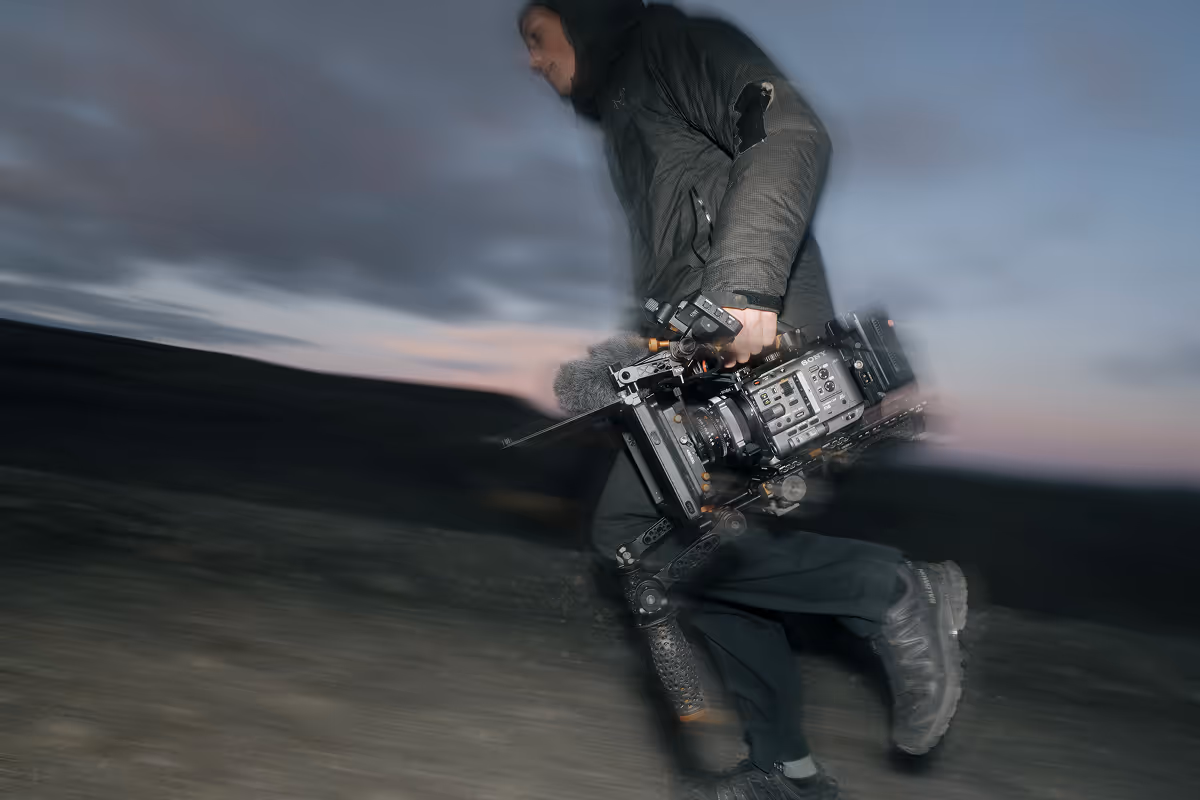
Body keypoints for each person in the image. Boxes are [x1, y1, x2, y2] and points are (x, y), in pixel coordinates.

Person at [517, 2, 968, 798]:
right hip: (700, 357)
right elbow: (677, 264)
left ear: (581, 19)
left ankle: (893, 591)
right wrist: (625, 360)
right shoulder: (628, 109)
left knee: (637, 539)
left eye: (537, 36)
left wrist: (744, 289)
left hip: (757, 344)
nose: (532, 60)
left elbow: (789, 131)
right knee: (704, 547)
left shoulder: (674, 47)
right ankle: (784, 771)